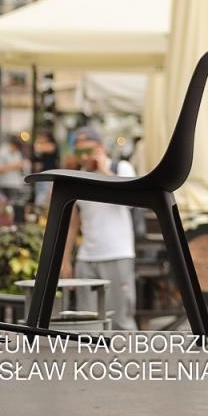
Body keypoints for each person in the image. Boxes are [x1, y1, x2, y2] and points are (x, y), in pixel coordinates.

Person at [61, 132, 139, 331]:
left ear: (100, 148)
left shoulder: (121, 168)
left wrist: (104, 170)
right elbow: (73, 224)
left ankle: (130, 361)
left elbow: (131, 199)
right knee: (87, 323)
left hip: (117, 255)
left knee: (121, 321)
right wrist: (65, 260)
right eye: (79, 152)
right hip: (87, 259)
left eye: (89, 151)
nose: (84, 157)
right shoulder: (78, 177)